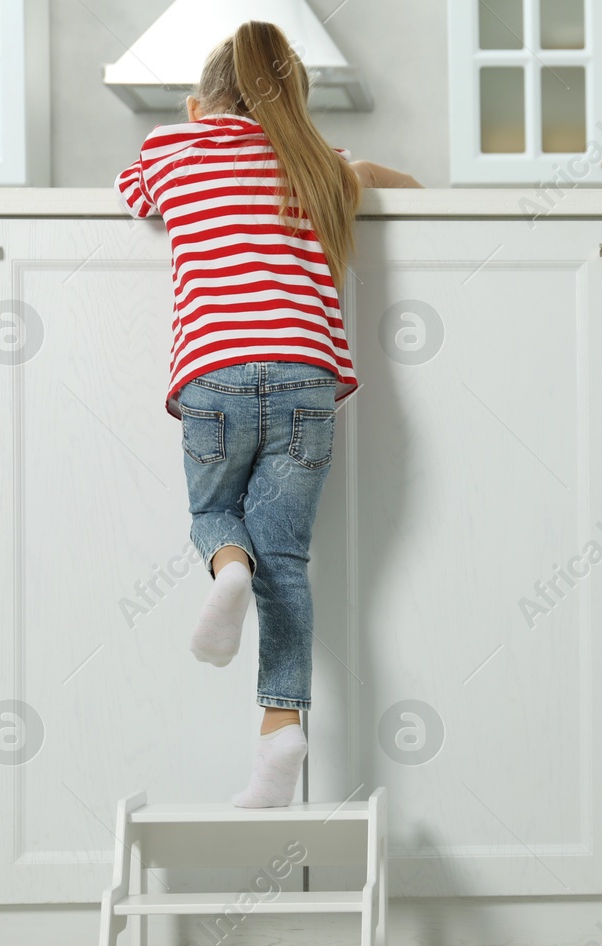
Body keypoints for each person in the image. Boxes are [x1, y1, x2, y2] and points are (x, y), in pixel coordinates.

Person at [115, 20, 419, 807]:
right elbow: (403, 189)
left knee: (216, 510)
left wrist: (186, 136)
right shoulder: (317, 165)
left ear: (199, 105)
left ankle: (227, 569)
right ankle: (280, 733)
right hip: (306, 380)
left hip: (215, 374)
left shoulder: (171, 151)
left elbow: (131, 193)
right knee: (289, 561)